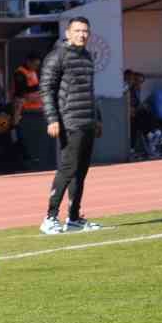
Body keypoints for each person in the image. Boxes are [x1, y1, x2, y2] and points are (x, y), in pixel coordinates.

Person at [40, 16, 103, 234]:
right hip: (69, 121)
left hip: (87, 121)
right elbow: (46, 89)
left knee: (81, 172)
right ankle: (49, 218)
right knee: (68, 169)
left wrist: (98, 118)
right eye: (77, 30)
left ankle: (74, 218)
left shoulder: (87, 57)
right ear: (68, 33)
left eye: (85, 31)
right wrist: (52, 119)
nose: (82, 34)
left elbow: (90, 91)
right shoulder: (56, 56)